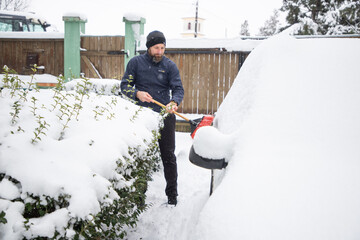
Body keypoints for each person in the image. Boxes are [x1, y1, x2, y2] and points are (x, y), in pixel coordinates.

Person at [120, 30, 184, 205]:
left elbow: (178, 89)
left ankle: (172, 196)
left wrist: (174, 102)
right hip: (142, 117)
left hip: (165, 116)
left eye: (162, 48)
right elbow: (124, 85)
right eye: (156, 48)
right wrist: (137, 93)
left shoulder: (169, 66)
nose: (160, 51)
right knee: (142, 157)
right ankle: (139, 197)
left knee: (168, 156)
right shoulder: (135, 63)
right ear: (149, 47)